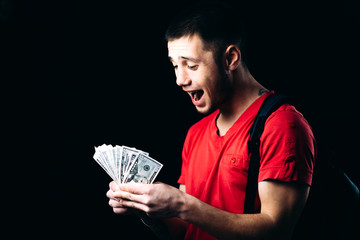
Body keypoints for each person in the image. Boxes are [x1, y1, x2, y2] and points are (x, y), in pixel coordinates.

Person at [106, 1, 316, 239]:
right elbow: (186, 230)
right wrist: (147, 210)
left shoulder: (282, 125)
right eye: (175, 66)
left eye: (191, 65)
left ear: (231, 59)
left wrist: (182, 205)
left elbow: (276, 230)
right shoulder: (195, 133)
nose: (179, 79)